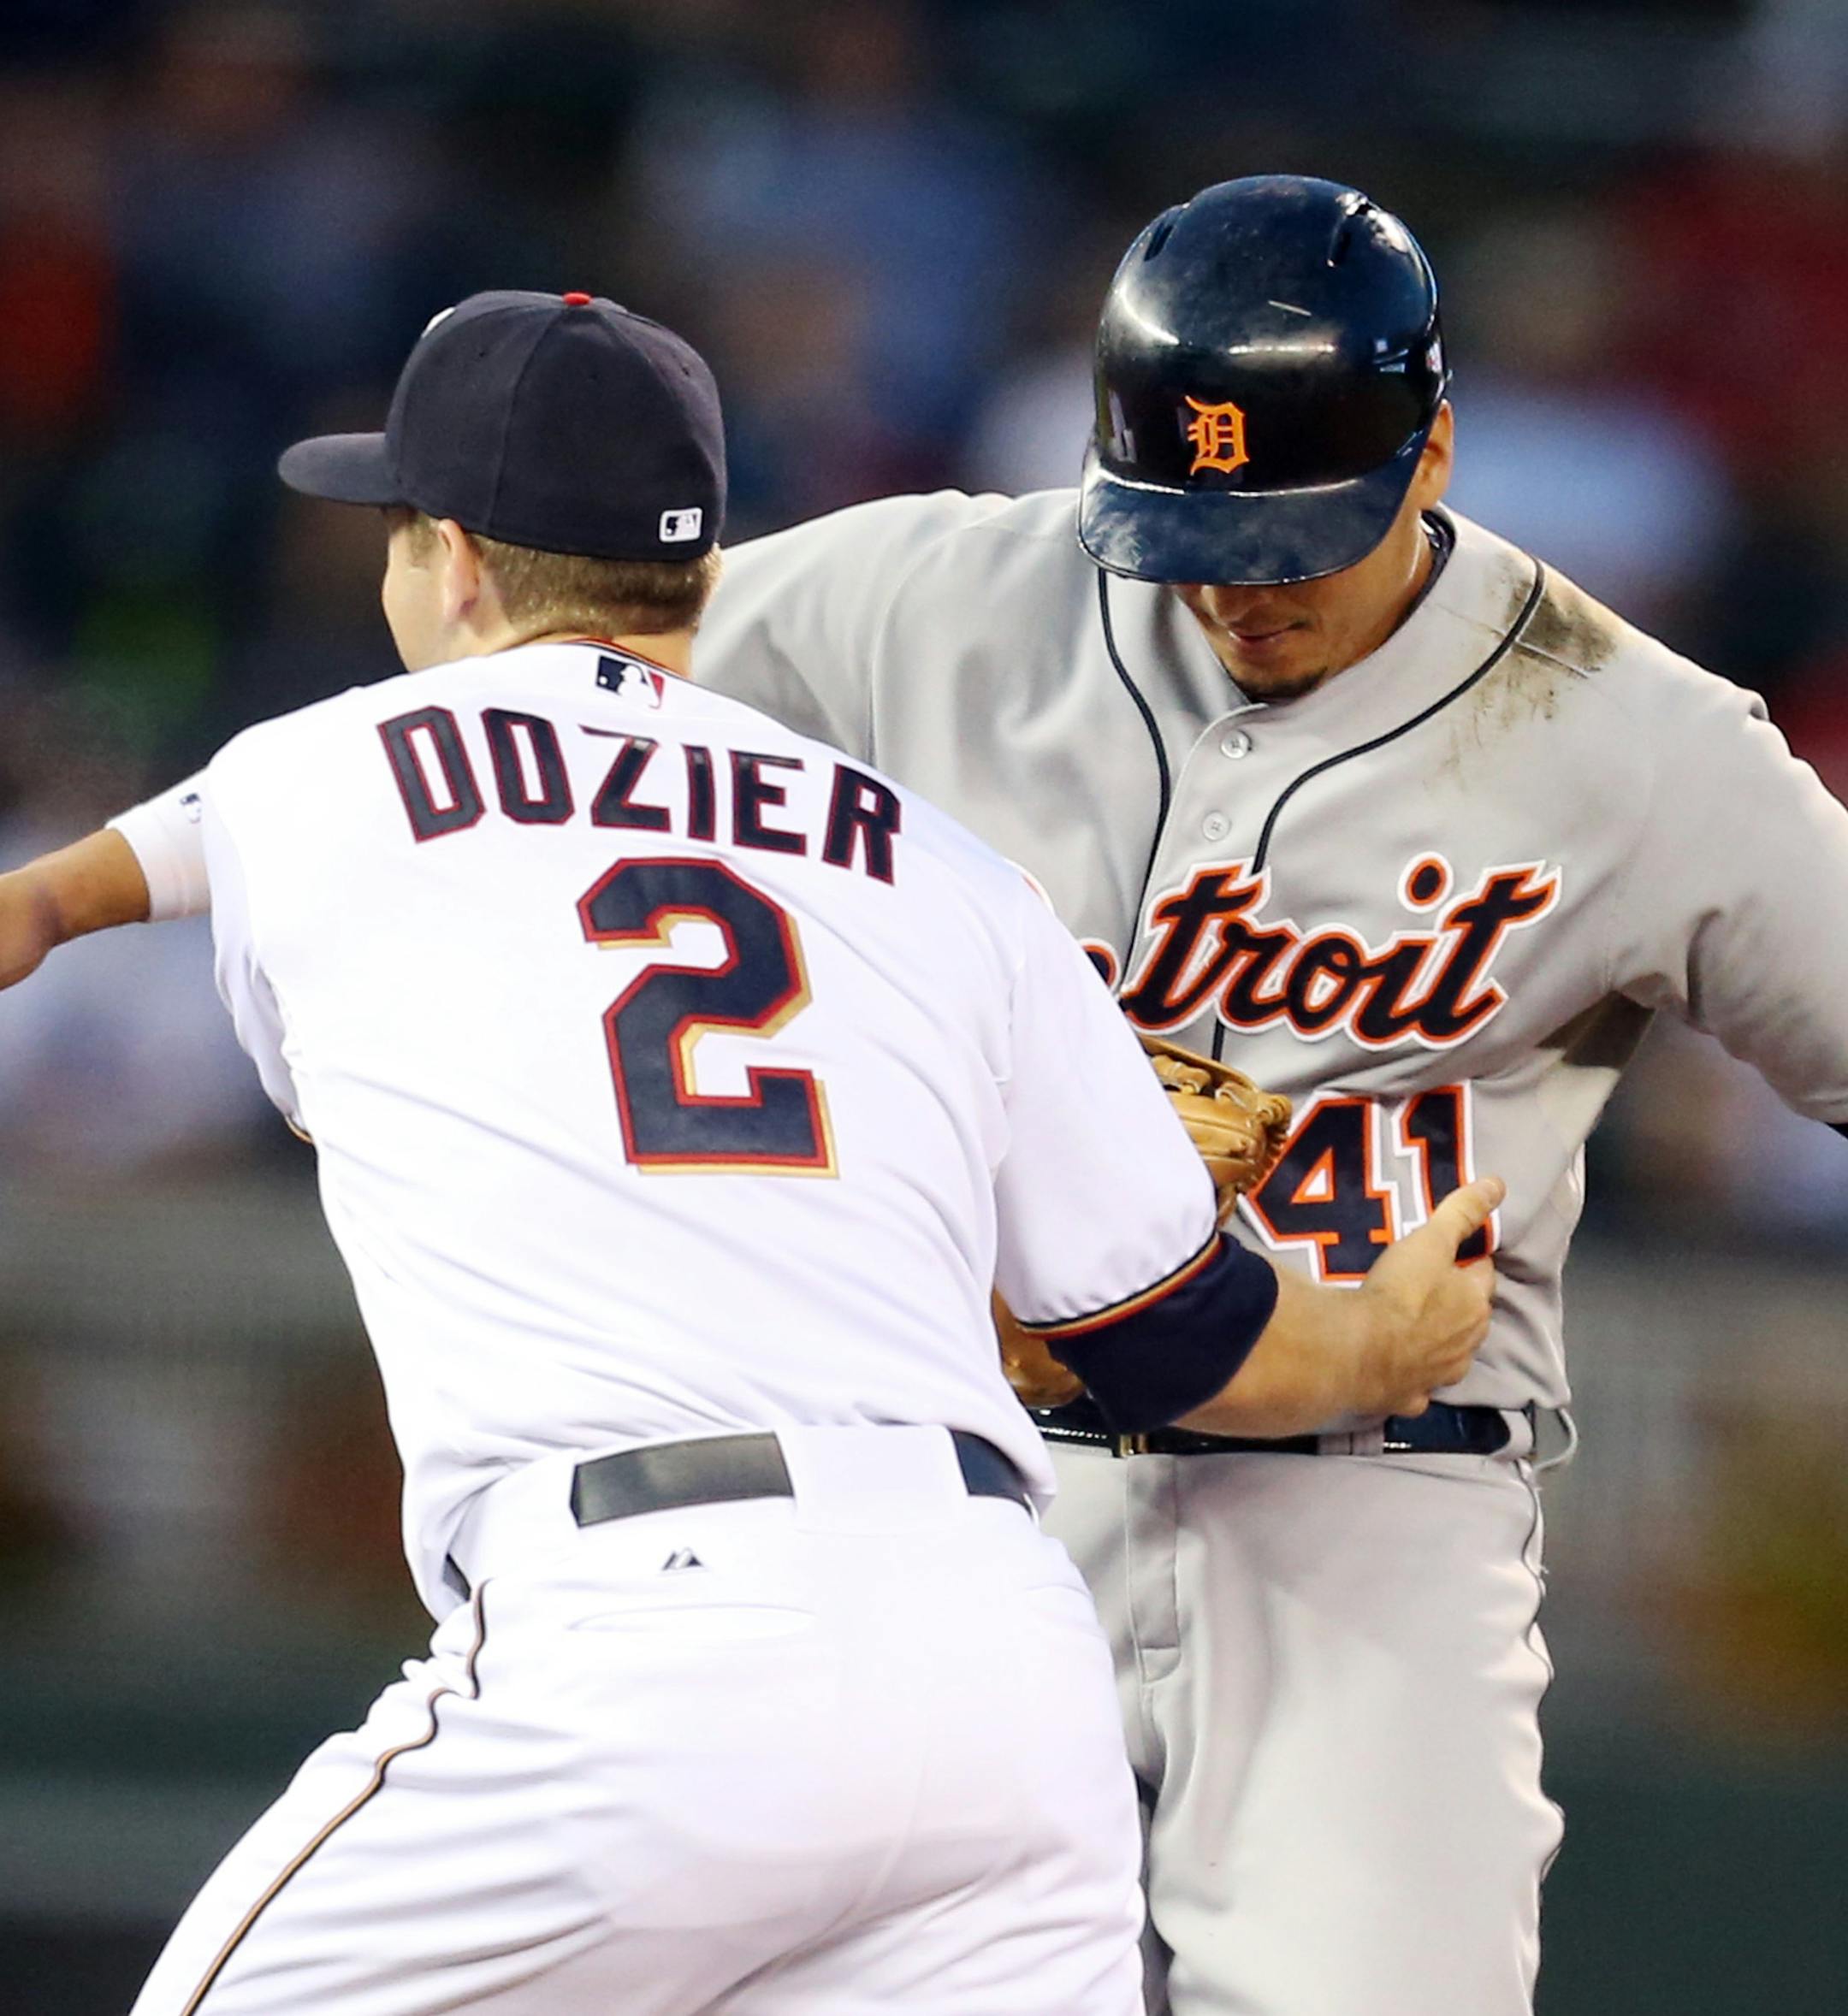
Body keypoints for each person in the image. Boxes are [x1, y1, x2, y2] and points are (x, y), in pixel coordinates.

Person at [0, 287, 1500, 2016]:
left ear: (460, 563)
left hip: (646, 1634)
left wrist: (47, 892)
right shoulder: (948, 872)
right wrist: (1386, 1337)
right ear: (698, 579)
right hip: (998, 1671)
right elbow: (1173, 1336)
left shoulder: (328, 769)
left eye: (398, 535)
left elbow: (169, 872)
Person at [685, 178, 1848, 2013]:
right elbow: (533, 688)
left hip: (1370, 1534)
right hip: (977, 1507)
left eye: (1298, 534)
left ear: (1436, 449)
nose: (1242, 583)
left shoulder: (1639, 740)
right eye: (1188, 529)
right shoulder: (937, 592)